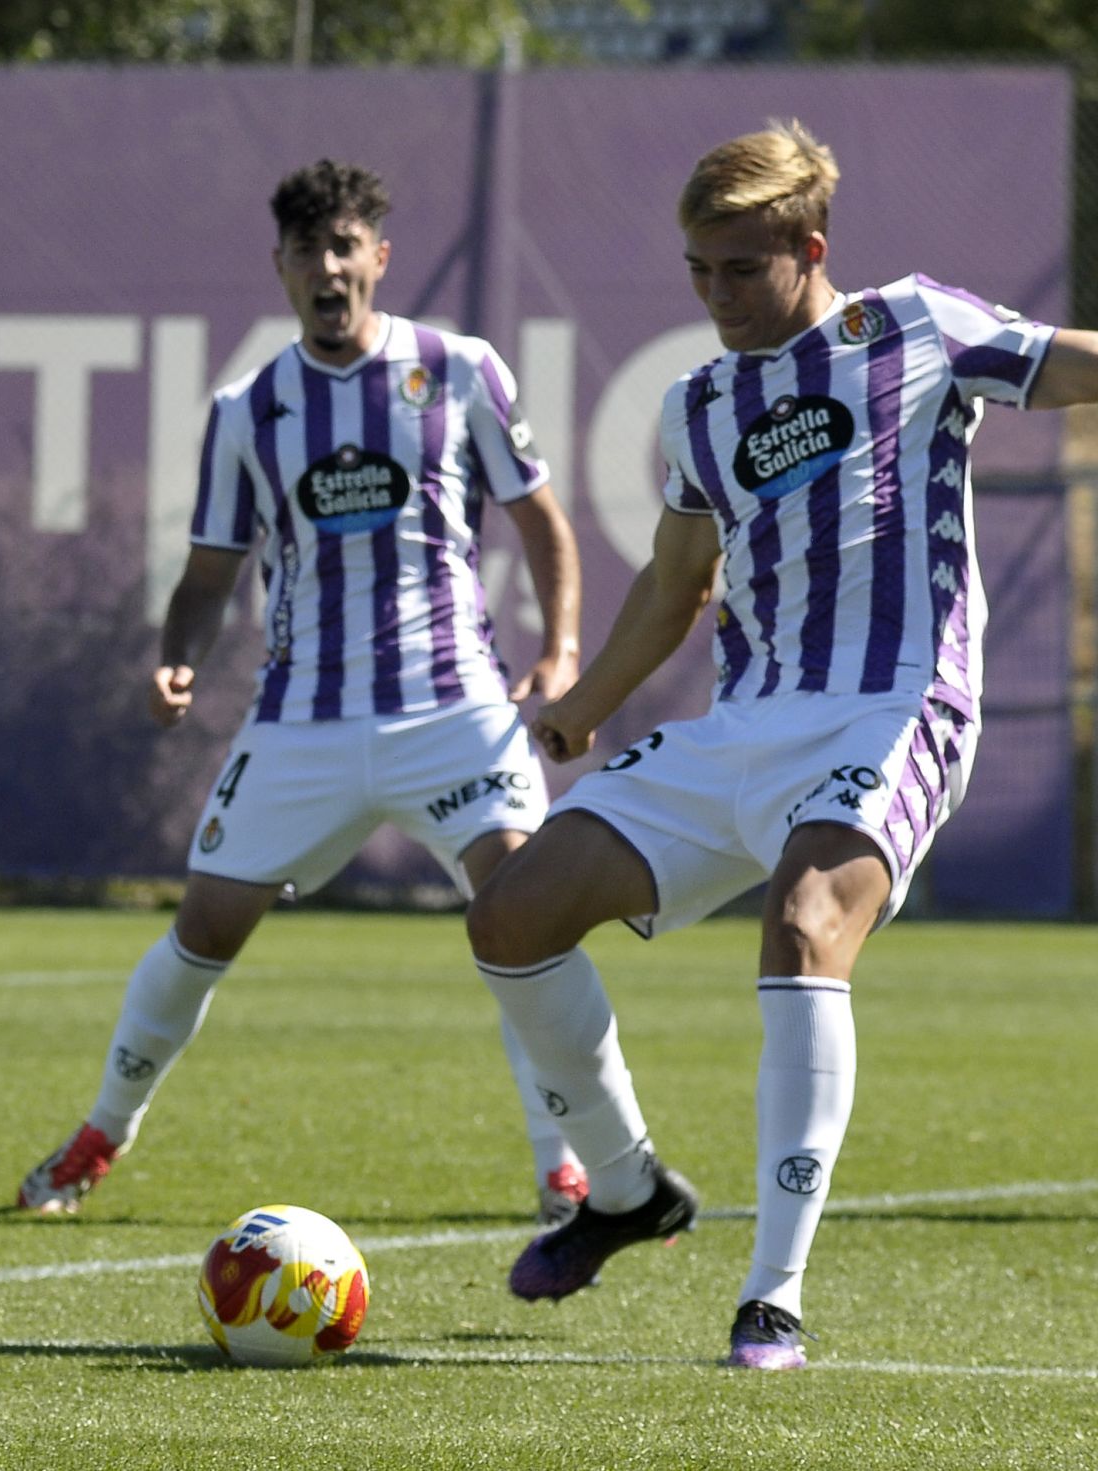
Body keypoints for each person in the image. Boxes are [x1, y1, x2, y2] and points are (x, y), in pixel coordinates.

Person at [466, 119, 1098, 1370]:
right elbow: (677, 583)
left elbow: (1075, 365)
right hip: (745, 727)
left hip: (897, 707)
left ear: (810, 249)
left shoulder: (912, 328)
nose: (715, 296)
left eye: (741, 270)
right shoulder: (698, 406)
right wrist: (587, 702)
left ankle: (774, 1296)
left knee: (805, 924)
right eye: (698, 271)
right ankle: (629, 1192)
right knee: (512, 914)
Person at [18, 159, 589, 1223]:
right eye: (306, 251)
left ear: (379, 257)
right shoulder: (249, 409)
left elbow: (545, 527)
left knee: (522, 915)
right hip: (300, 723)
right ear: (279, 268)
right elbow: (208, 577)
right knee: (202, 932)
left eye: (344, 246)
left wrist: (559, 653)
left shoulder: (459, 370)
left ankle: (565, 1168)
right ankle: (102, 1130)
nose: (328, 268)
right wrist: (177, 656)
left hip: (453, 710)